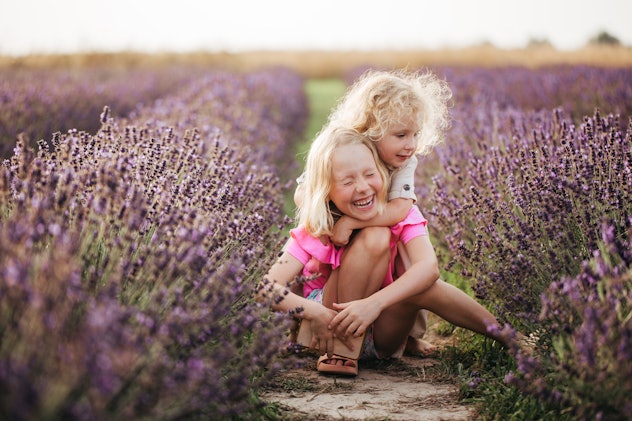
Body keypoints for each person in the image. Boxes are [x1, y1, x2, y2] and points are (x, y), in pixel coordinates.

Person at [259, 126, 520, 377]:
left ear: (384, 173)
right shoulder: (318, 225)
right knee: (375, 236)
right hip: (330, 326)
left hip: (382, 333)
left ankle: (510, 337)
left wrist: (373, 305)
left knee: (419, 282)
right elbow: (265, 287)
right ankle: (343, 351)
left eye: (370, 174)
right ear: (326, 190)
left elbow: (429, 270)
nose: (362, 187)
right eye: (347, 181)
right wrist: (314, 313)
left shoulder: (403, 215)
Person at [294, 68, 452, 356]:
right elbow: (303, 193)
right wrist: (329, 220)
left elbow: (399, 209)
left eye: (415, 134)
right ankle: (310, 327)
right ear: (370, 129)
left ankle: (408, 335)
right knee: (309, 257)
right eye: (402, 134)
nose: (411, 144)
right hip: (345, 238)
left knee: (405, 270)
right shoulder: (342, 148)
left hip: (380, 227)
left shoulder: (404, 161)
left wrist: (353, 222)